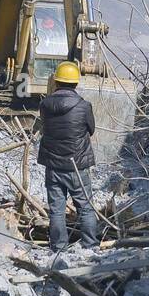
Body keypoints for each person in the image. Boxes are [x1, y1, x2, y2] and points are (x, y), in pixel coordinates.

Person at [37, 60, 99, 252]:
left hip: (53, 166)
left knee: (57, 210)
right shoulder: (84, 106)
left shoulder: (45, 105)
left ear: (56, 81)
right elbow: (91, 130)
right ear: (76, 83)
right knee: (85, 208)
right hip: (77, 166)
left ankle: (59, 247)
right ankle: (91, 245)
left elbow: (44, 128)